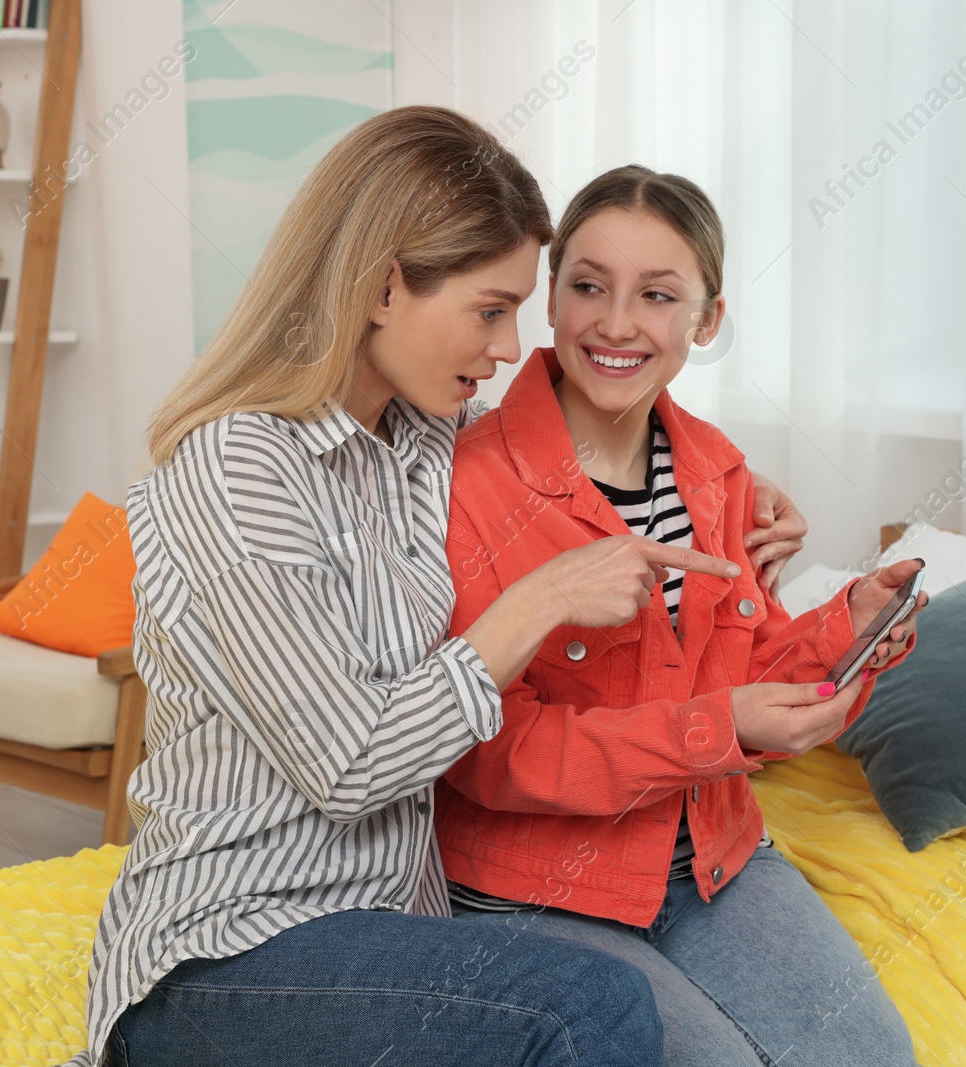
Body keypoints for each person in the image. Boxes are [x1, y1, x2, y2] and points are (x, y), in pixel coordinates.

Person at [62, 109, 802, 1067]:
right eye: (491, 311)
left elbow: (570, 446)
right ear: (380, 288)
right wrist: (538, 600)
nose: (506, 348)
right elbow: (350, 767)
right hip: (228, 947)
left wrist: (736, 491)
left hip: (393, 929)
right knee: (588, 1007)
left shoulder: (417, 446)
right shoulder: (239, 471)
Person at [434, 164, 928, 1066]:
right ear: (549, 297)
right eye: (588, 286)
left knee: (870, 1055)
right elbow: (485, 752)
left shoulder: (720, 471)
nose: (616, 323)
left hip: (713, 858)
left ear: (706, 319)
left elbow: (742, 681)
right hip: (531, 885)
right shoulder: (470, 482)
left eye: (657, 296)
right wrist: (714, 728)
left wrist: (843, 629)